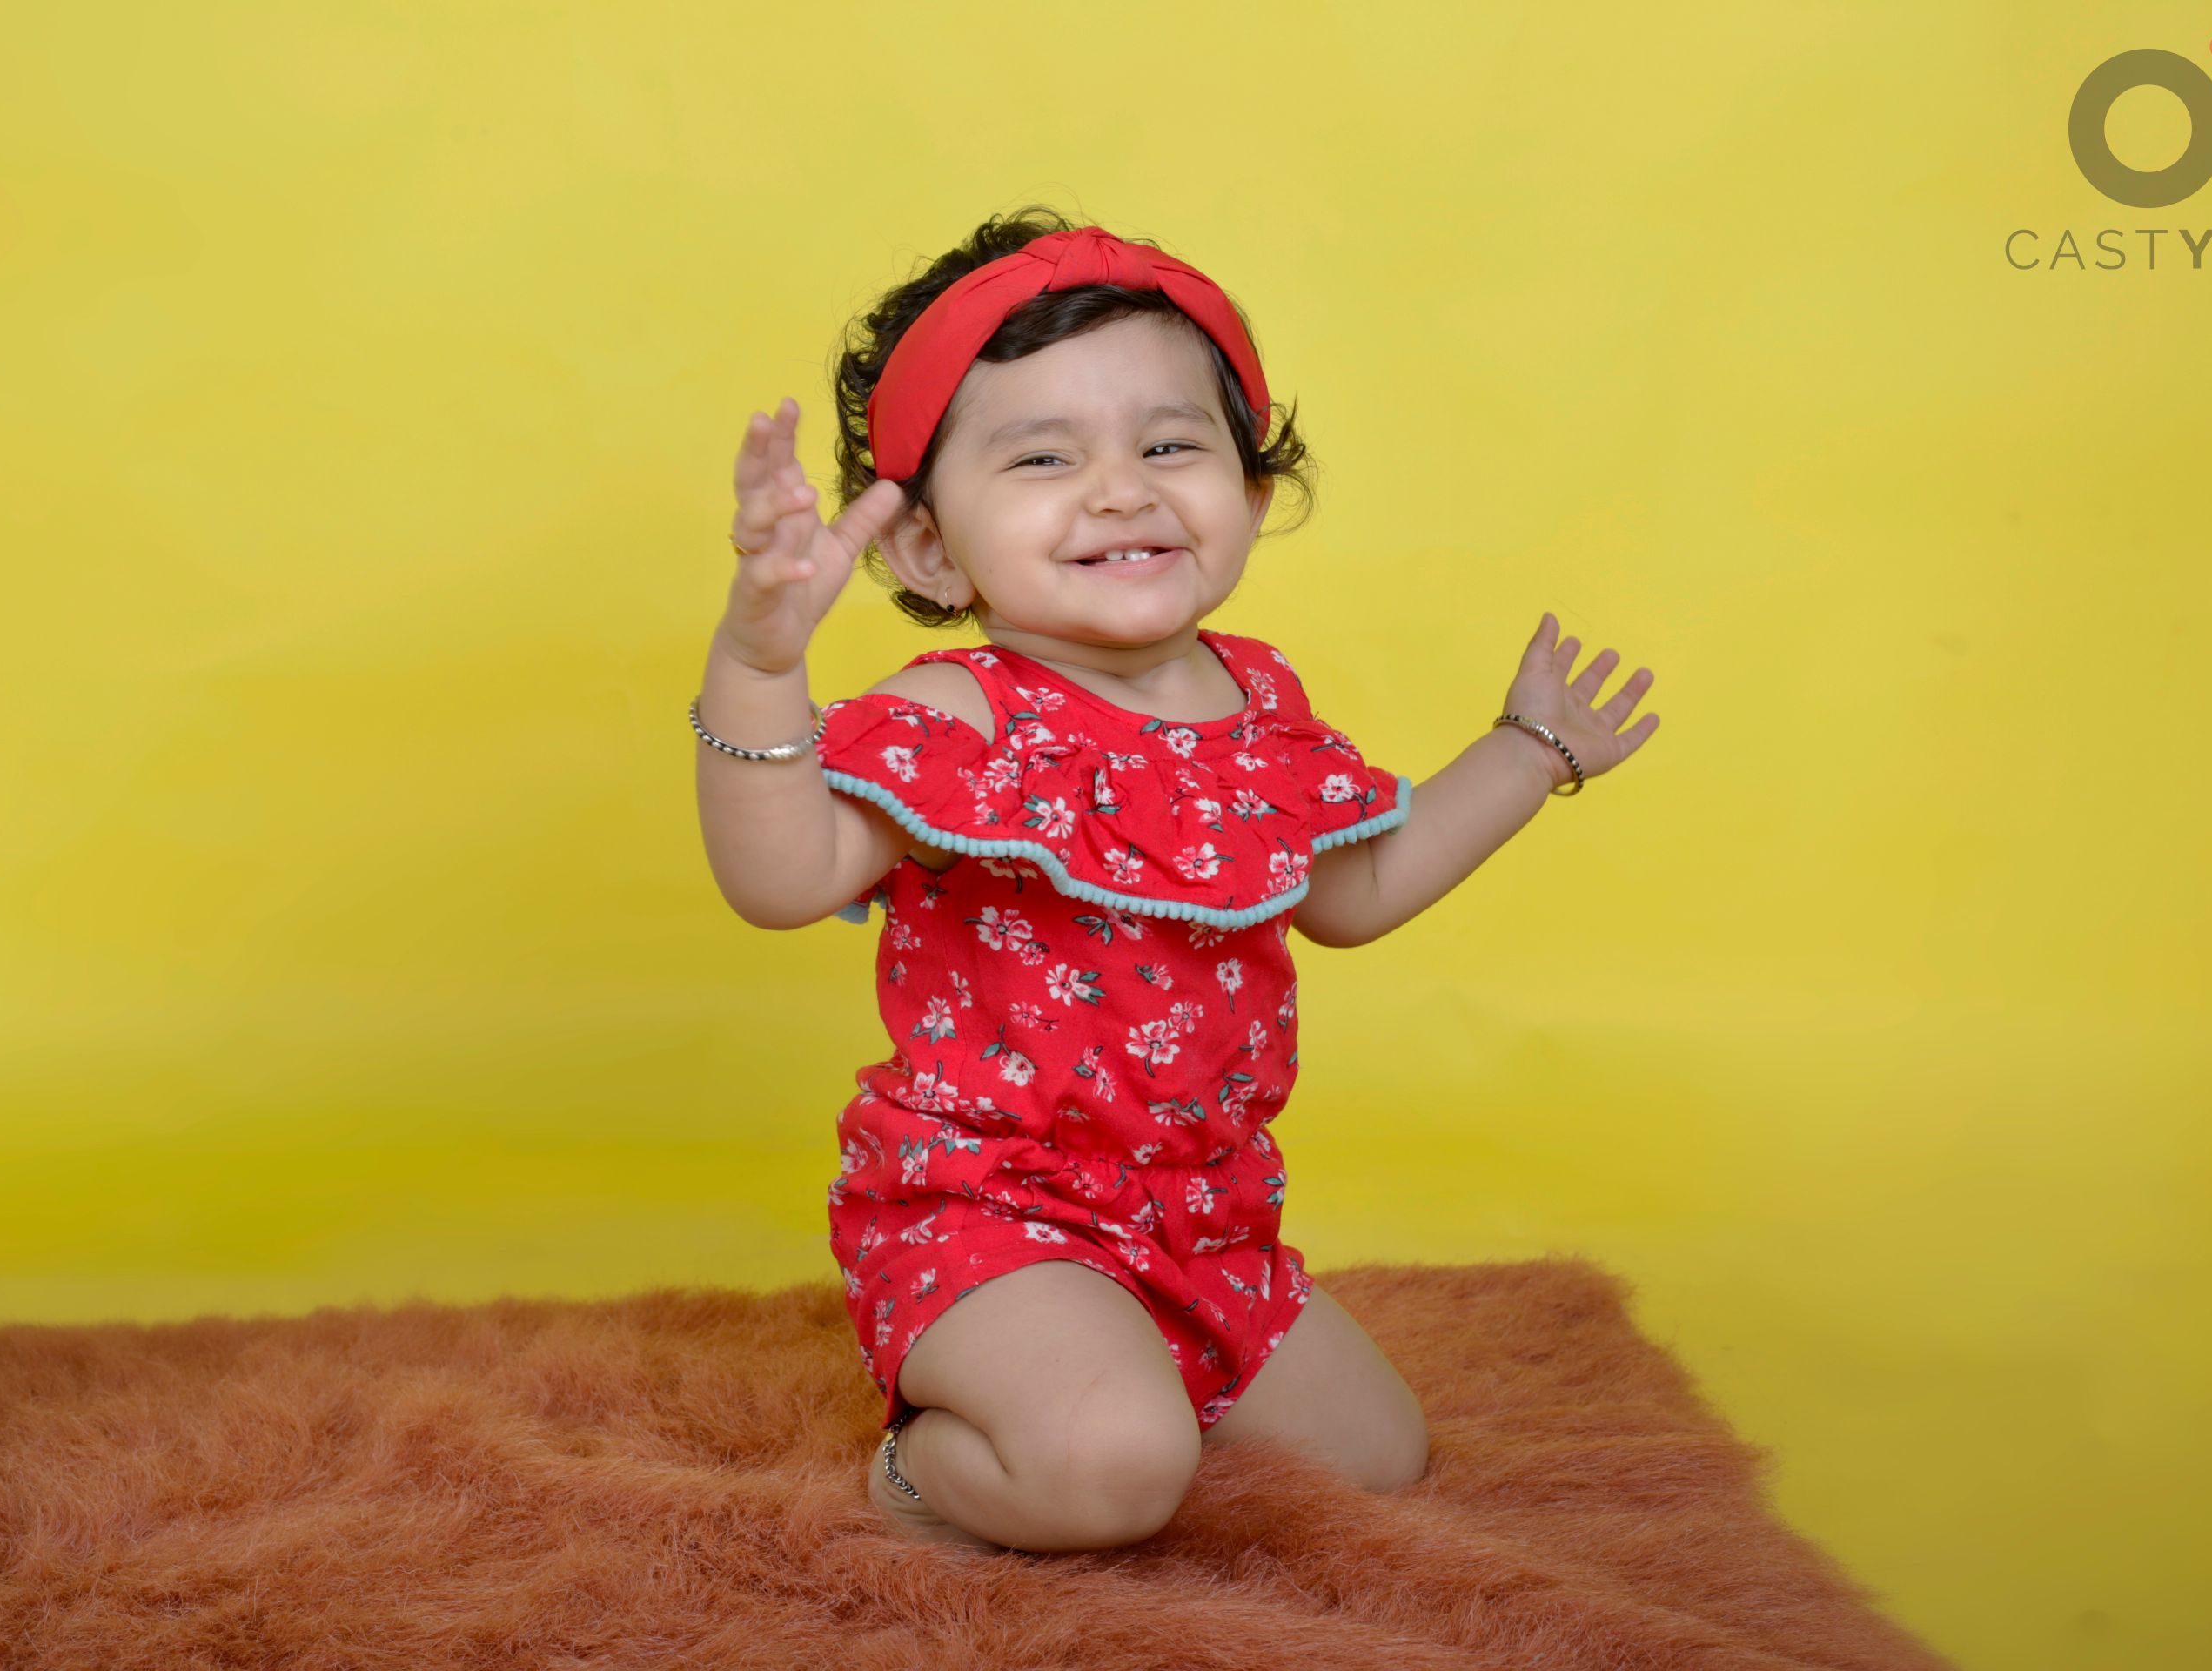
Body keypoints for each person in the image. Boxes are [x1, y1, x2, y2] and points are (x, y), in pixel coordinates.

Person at [691, 207, 1661, 1556]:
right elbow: (781, 877)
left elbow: (1355, 893)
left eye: (1169, 445)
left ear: (1250, 498)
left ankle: (1119, 1374)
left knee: (1377, 1459)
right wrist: (757, 665)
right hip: (991, 1209)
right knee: (1112, 1471)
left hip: (1206, 1215)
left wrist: (1526, 752)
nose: (1120, 491)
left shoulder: (1258, 703)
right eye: (1044, 457)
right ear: (926, 548)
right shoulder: (960, 715)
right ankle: (923, 1475)